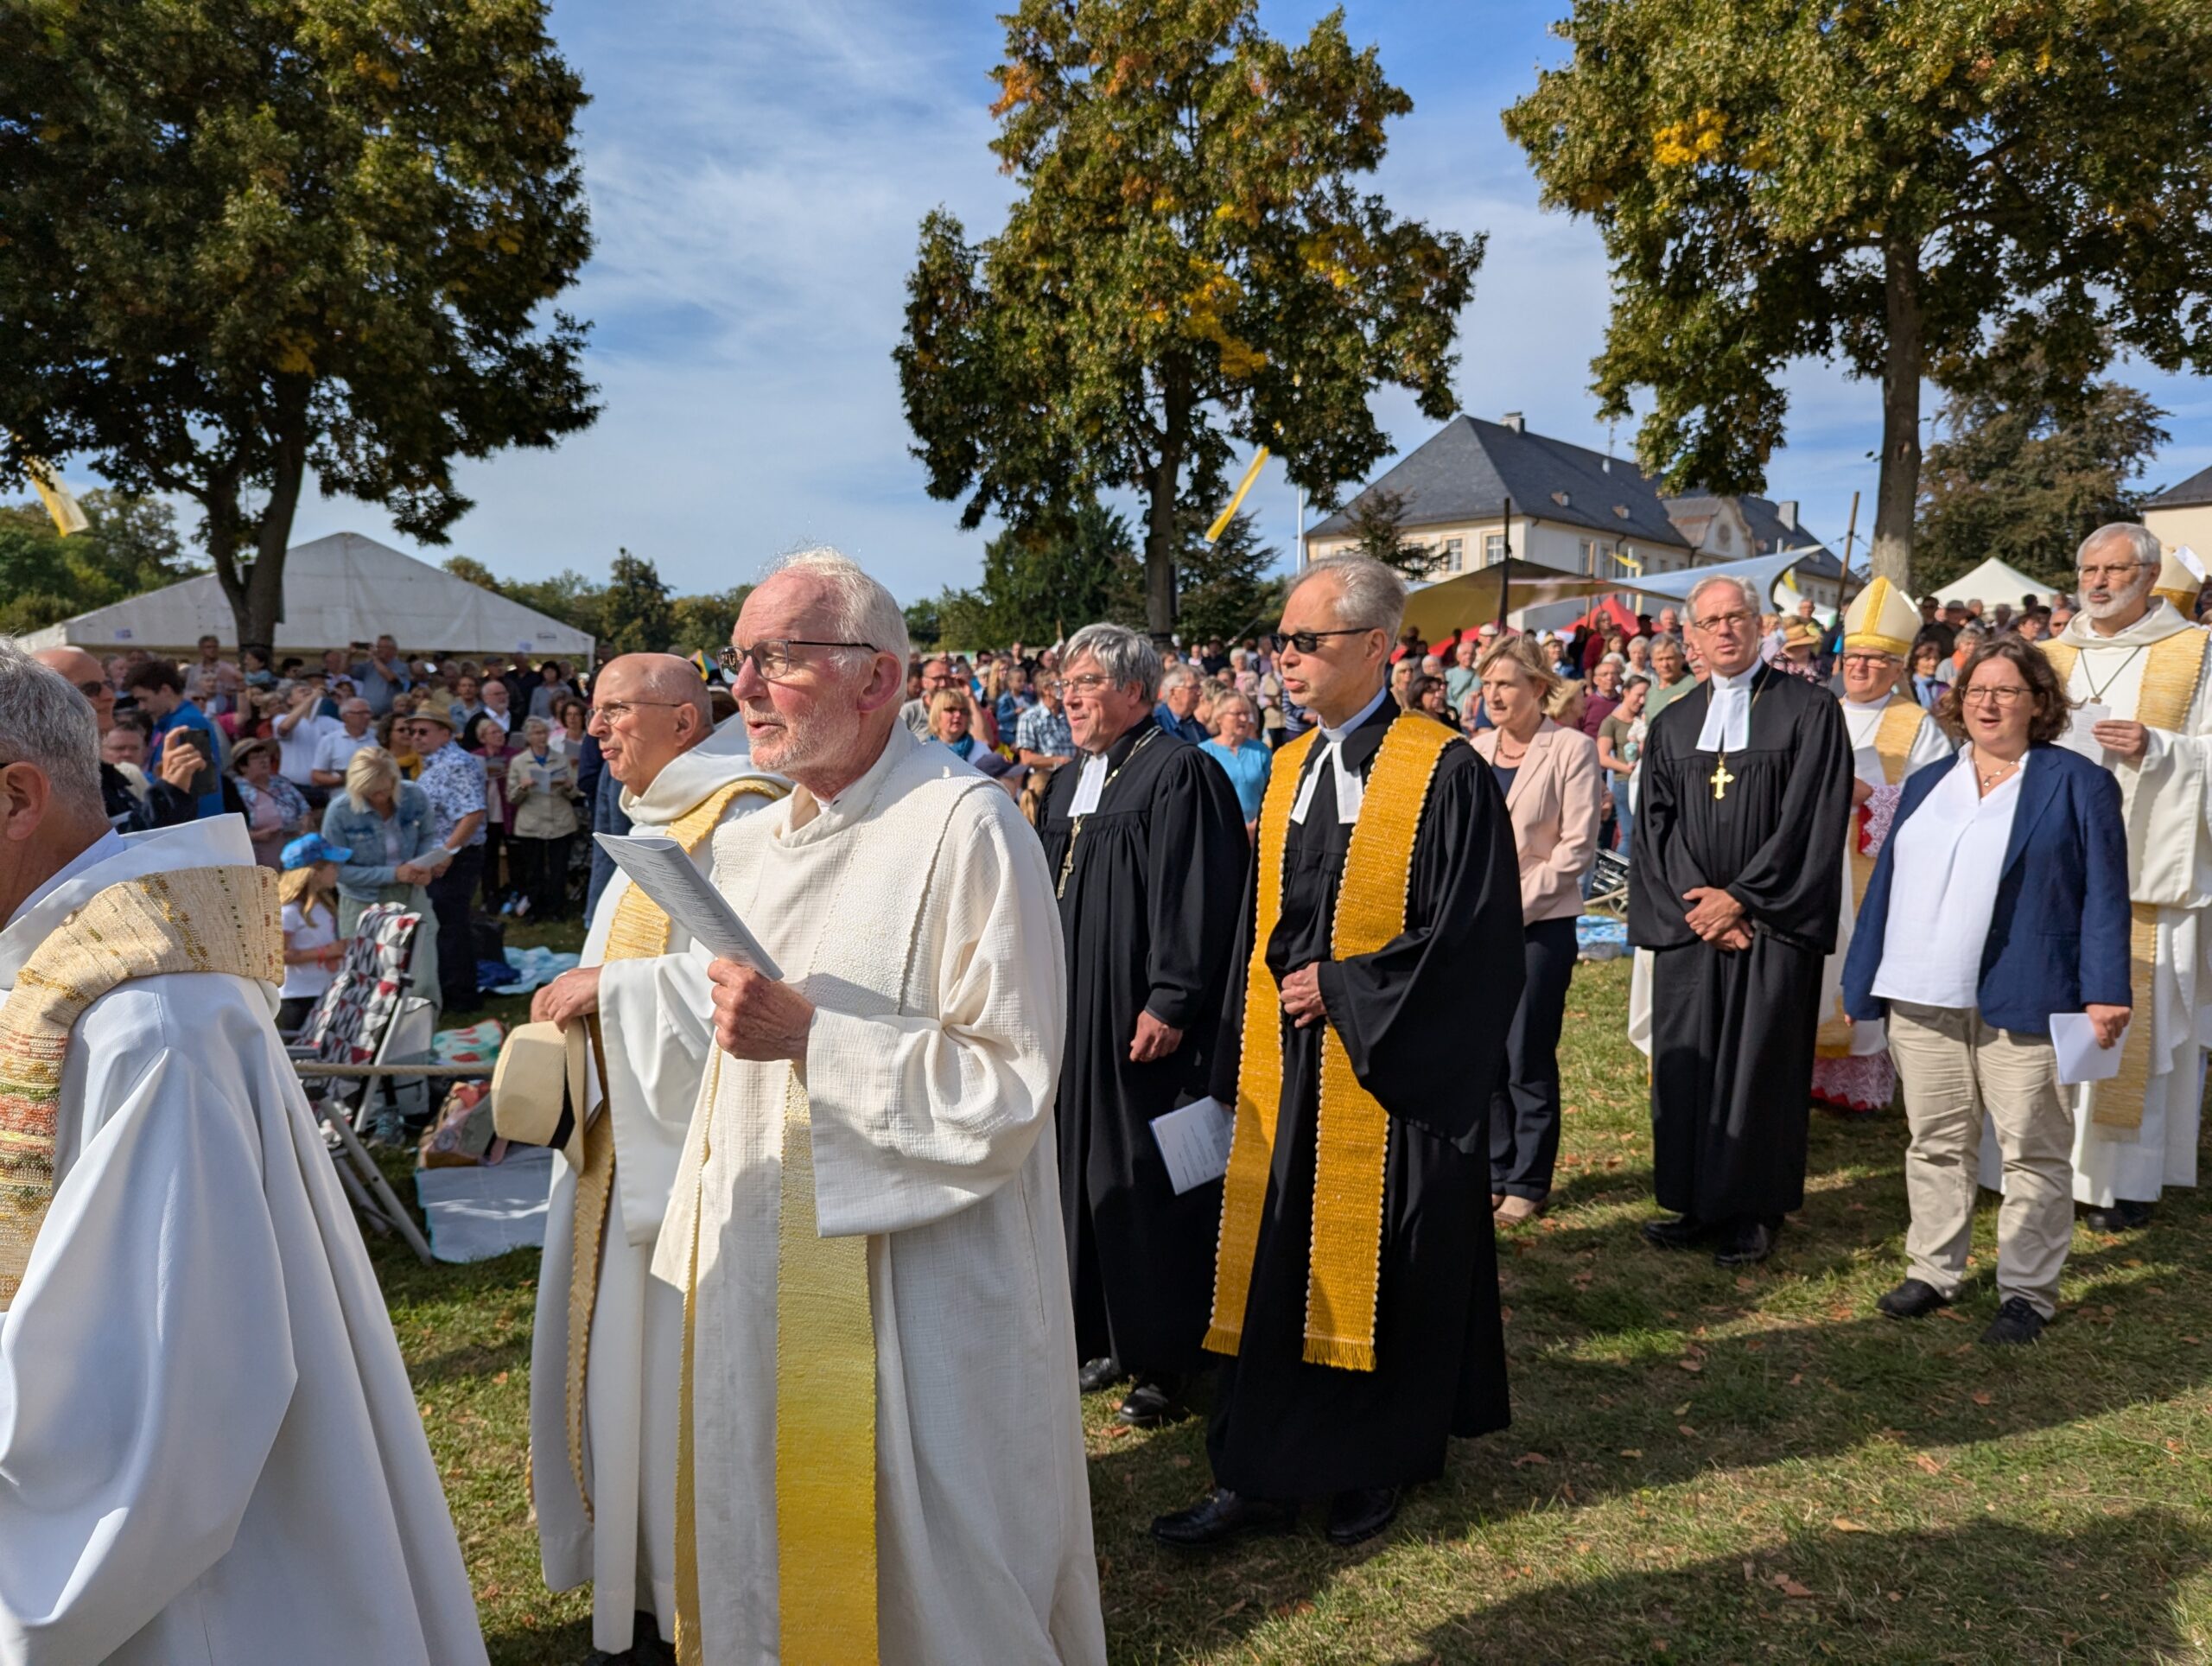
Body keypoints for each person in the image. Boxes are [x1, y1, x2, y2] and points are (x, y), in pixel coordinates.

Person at [655, 550, 1105, 1664]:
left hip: (918, 1286)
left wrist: (811, 1038)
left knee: (926, 1574)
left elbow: (1011, 1077)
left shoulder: (964, 826)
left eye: (778, 660)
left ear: (879, 679)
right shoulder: (755, 838)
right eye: (739, 660)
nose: (744, 688)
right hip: (767, 1261)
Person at [0, 644, 487, 1664]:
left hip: (194, 1587)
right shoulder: (63, 974)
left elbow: (162, 1404)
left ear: (15, 798)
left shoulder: (150, 1023)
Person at [1153, 554, 1522, 1552]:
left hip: (1387, 1070)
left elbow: (1474, 938)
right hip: (1288, 1066)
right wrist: (1237, 1044)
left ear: (1374, 646)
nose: (1284, 659)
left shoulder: (1442, 770)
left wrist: (1349, 989)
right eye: (1281, 641)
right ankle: (1259, 1465)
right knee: (1279, 1257)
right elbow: (1252, 930)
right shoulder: (1285, 765)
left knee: (1385, 1260)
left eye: (1304, 641)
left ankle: (1375, 1461)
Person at [524, 654, 785, 1661]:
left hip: (680, 1156)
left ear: (685, 719)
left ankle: (681, 1589)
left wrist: (612, 992)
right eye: (592, 711)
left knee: (666, 1376)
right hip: (620, 1139)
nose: (595, 728)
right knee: (617, 1375)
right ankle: (632, 1582)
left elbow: (753, 979)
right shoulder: (658, 819)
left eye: (615, 710)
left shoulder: (743, 814)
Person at [1845, 636, 2131, 1344]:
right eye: (1977, 691)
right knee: (1935, 1137)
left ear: (2040, 705)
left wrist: (2105, 989)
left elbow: (2103, 894)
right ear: (1957, 701)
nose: (1990, 703)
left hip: (2028, 989)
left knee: (2032, 1145)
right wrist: (1862, 976)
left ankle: (2027, 1291)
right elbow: (1885, 887)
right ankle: (1934, 1268)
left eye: (2008, 691)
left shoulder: (2076, 780)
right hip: (1921, 987)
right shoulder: (1927, 783)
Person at [1038, 623, 1247, 1430]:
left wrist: (1171, 997)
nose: (1070, 697)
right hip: (1072, 1017)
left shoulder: (1179, 773)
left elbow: (1199, 897)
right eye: (1065, 684)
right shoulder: (1066, 785)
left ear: (1136, 691)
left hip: (1141, 1024)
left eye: (1087, 682)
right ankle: (1101, 1333)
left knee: (1149, 1182)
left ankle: (1167, 1357)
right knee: (1083, 1177)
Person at [1629, 574, 1853, 1265]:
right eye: (1710, 622)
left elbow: (1810, 821)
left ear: (1761, 627)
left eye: (1737, 618)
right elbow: (1655, 829)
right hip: (1695, 924)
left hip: (1769, 923)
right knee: (1688, 1062)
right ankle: (1695, 1200)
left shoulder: (1809, 710)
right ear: (1690, 637)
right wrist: (1702, 902)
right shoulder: (1671, 723)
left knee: (1761, 1064)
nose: (1724, 631)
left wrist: (1744, 899)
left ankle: (1755, 1209)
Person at [2012, 523, 2212, 1229]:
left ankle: (2120, 1180)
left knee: (2130, 1021)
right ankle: (2029, 1162)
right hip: (2054, 862)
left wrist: (2162, 749)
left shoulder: (2195, 653)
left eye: (2113, 570)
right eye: (2088, 569)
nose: (2096, 583)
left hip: (2144, 869)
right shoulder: (2050, 653)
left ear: (2150, 577)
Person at [1809, 578, 1956, 1114]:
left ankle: (1855, 1089)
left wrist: (1872, 796)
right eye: (1855, 656)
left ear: (1898, 668)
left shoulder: (1918, 727)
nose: (1861, 667)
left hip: (1874, 876)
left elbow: (1940, 806)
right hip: (1813, 867)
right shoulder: (1815, 711)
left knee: (1859, 963)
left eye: (1876, 659)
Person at [1470, 638, 1603, 1224]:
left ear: (1538, 690)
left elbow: (1575, 848)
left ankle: (1528, 1176)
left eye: (1506, 685)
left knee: (1526, 1051)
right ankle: (1495, 1167)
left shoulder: (1570, 748)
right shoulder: (1473, 749)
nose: (1494, 695)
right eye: (1488, 684)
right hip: (1476, 928)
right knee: (1484, 1050)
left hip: (1539, 923)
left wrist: (1513, 908)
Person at [322, 745, 443, 1005]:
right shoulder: (339, 811)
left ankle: (419, 1043)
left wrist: (425, 866)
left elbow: (429, 835)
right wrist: (393, 874)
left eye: (385, 789)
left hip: (411, 894)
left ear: (395, 779)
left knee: (423, 983)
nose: (379, 796)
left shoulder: (415, 796)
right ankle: (371, 1045)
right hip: (362, 902)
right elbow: (337, 870)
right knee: (369, 986)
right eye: (371, 791)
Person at [410, 708, 488, 1013]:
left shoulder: (456, 764)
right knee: (444, 924)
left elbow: (472, 813)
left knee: (449, 926)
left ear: (445, 733)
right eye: (413, 732)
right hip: (440, 856)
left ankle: (460, 996)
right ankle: (452, 988)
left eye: (423, 731)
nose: (416, 737)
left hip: (455, 858)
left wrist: (447, 854)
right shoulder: (436, 763)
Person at [126, 658, 226, 818]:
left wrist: (129, 778)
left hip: (194, 825)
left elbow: (199, 782)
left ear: (165, 690)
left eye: (143, 699)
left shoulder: (190, 722)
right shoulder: (168, 723)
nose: (142, 707)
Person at [505, 715, 581, 920]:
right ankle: (535, 908)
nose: (541, 737)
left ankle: (556, 908)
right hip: (531, 821)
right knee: (533, 869)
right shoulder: (519, 762)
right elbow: (511, 797)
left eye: (544, 732)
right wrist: (523, 786)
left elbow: (575, 793)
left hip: (560, 820)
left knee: (558, 869)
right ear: (528, 737)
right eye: (536, 733)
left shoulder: (561, 758)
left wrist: (567, 785)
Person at [276, 831, 348, 1032]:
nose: (337, 871)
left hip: (324, 991)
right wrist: (326, 952)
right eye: (332, 866)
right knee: (302, 1058)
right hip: (297, 998)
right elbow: (278, 955)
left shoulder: (322, 906)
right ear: (314, 872)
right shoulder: (288, 912)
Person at [231, 736, 313, 867]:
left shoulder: (281, 782)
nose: (264, 760)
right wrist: (256, 836)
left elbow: (304, 809)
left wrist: (304, 825)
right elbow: (231, 832)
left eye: (265, 756)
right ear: (243, 767)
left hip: (293, 850)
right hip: (259, 857)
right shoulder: (234, 791)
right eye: (256, 757)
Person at [1200, 690, 1273, 829]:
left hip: (1257, 831)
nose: (1244, 719)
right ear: (1219, 717)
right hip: (1219, 832)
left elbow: (1272, 794)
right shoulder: (1204, 753)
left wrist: (1255, 826)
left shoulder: (1261, 751)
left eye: (1246, 713)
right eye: (1237, 714)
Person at [927, 686, 1019, 790]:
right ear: (936, 714)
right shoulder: (925, 752)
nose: (958, 715)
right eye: (951, 710)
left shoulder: (980, 749)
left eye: (963, 711)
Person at [1597, 672, 1649, 850]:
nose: (1642, 701)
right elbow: (1602, 756)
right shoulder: (1611, 722)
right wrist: (1628, 769)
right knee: (1629, 835)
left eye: (1646, 696)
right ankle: (1620, 874)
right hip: (1625, 783)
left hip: (1645, 782)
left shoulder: (1644, 719)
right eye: (1639, 695)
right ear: (1626, 692)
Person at [1015, 671, 1077, 771]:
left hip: (1072, 775)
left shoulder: (1068, 714)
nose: (1065, 688)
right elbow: (1026, 758)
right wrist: (1060, 761)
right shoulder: (1029, 718)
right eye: (1060, 684)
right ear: (1046, 689)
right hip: (1046, 778)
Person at [351, 633, 411, 716]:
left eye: (384, 647)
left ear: (394, 650)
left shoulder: (401, 666)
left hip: (388, 716)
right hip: (368, 716)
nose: (380, 650)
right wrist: (349, 655)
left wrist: (375, 658)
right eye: (379, 647)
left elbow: (390, 678)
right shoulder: (369, 665)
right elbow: (345, 672)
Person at [1643, 634, 1694, 721]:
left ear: (1681, 659)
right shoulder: (1651, 693)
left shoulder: (1693, 686)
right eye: (1660, 659)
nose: (1665, 665)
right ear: (1653, 663)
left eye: (1670, 658)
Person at [1155, 664, 1209, 744]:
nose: (1199, 692)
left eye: (1199, 687)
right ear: (1174, 692)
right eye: (1193, 688)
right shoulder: (1156, 724)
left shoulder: (1198, 727)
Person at [1909, 639, 1947, 709]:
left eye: (1936, 658)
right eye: (1928, 659)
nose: (1933, 663)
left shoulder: (1945, 689)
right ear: (1915, 662)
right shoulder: (1908, 687)